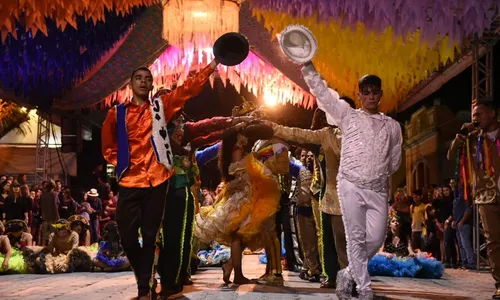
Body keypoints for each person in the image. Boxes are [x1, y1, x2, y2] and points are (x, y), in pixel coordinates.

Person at [101, 59, 218, 300]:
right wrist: (122, 164)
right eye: (138, 78)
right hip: (130, 182)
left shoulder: (160, 107)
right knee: (127, 236)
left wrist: (213, 63)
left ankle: (145, 288)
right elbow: (107, 146)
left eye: (147, 79)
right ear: (130, 84)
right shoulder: (117, 113)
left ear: (152, 85)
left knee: (152, 235)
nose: (143, 82)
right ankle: (146, 276)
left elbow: (187, 89)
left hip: (158, 180)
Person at [301, 62, 402, 300]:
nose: (370, 96)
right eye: (365, 92)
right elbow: (323, 94)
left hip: (377, 188)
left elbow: (395, 159)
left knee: (376, 239)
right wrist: (307, 65)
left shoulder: (393, 127)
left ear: (380, 94)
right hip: (350, 186)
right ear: (359, 95)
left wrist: (376, 172)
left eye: (374, 91)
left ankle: (347, 273)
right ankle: (365, 290)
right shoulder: (347, 117)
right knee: (355, 237)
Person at [447, 100, 500, 299]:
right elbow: (451, 155)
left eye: (480, 114)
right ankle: (499, 284)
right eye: (474, 115)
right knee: (493, 241)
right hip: (486, 195)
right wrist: (457, 140)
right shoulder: (471, 138)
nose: (475, 119)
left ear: (493, 113)